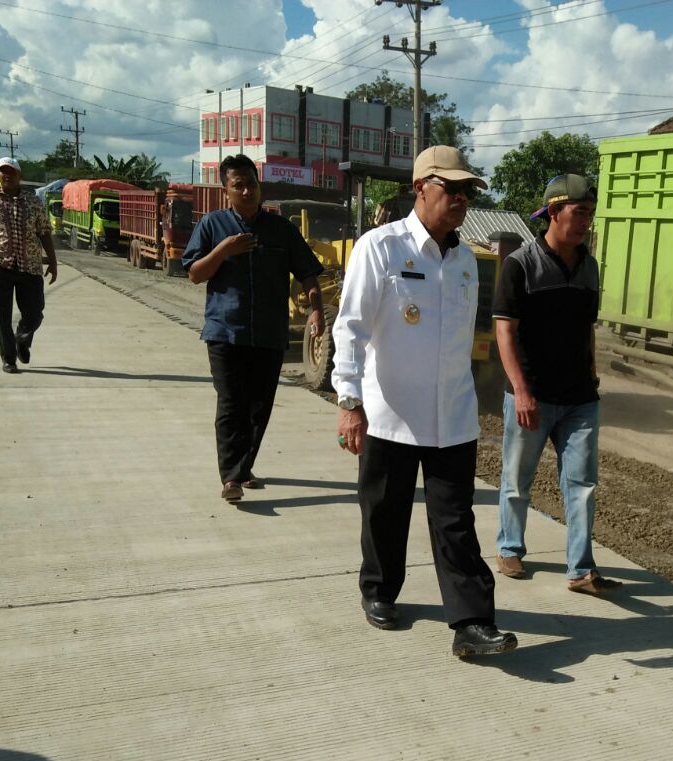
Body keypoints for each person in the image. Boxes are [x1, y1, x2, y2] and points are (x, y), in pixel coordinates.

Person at [332, 145, 517, 658]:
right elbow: (350, 327)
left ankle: (473, 623)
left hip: (451, 417)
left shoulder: (465, 260)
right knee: (384, 513)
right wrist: (349, 400)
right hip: (389, 413)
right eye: (451, 189)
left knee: (455, 521)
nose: (461, 199)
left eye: (467, 192)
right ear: (421, 188)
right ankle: (379, 590)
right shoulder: (381, 247)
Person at [493, 174, 620, 595]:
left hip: (580, 397)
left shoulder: (589, 267)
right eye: (579, 213)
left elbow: (587, 328)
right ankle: (509, 548)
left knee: (582, 484)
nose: (586, 222)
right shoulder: (520, 265)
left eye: (590, 214)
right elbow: (505, 331)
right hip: (532, 394)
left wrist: (593, 371)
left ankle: (581, 570)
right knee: (517, 479)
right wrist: (521, 391)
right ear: (553, 212)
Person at [182, 154, 324, 503]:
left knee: (259, 408)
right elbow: (195, 274)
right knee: (231, 404)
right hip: (225, 331)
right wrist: (224, 249)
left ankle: (243, 468)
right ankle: (231, 477)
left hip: (268, 333)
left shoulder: (280, 229)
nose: (247, 191)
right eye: (238, 185)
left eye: (252, 184)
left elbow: (308, 273)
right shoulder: (212, 225)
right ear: (225, 190)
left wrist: (317, 311)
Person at [0, 158, 57, 374]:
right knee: (0, 315)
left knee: (35, 313)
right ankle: (9, 359)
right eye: (2, 172)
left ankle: (22, 338)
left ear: (19, 175)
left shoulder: (33, 201)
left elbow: (44, 231)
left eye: (11, 172)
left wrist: (53, 261)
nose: (7, 175)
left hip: (30, 266)